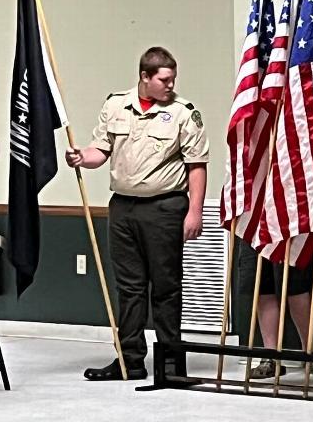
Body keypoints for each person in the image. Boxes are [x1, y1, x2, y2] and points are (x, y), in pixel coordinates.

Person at [66, 47, 208, 381]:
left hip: (165, 207)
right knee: (129, 288)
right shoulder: (116, 105)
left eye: (173, 79)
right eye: (164, 80)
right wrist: (80, 157)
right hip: (123, 208)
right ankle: (129, 360)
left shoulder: (184, 113)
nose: (170, 86)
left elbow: (197, 166)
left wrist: (194, 212)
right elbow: (100, 150)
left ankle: (171, 364)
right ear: (144, 76)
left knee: (166, 287)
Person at [247, 255, 313, 379]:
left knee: (296, 283)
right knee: (262, 282)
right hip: (255, 237)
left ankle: (310, 353)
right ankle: (271, 356)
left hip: (291, 237)